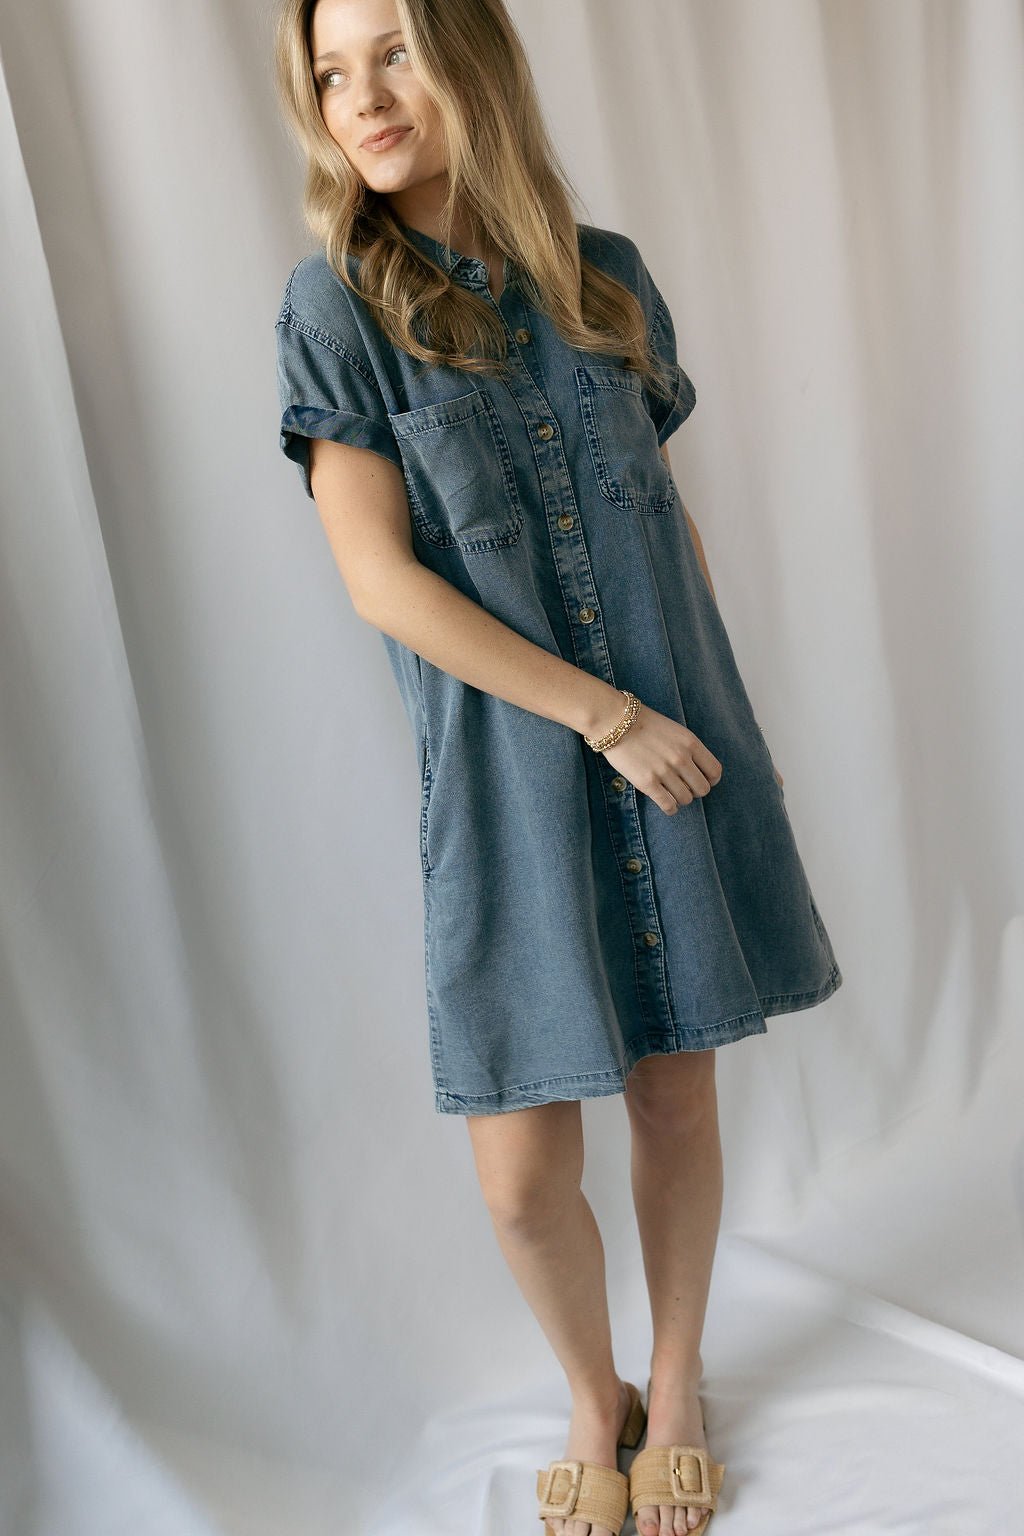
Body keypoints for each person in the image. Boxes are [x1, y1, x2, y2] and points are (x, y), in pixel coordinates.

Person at [272, 2, 843, 1532]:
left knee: (676, 1101)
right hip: (518, 781)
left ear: (472, 58)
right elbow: (380, 582)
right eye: (331, 73)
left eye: (395, 52)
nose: (363, 97)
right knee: (523, 1175)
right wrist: (602, 715)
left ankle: (678, 1378)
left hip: (673, 748)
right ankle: (597, 1396)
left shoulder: (609, 279)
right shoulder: (336, 308)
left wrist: (707, 721)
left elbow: (665, 520)